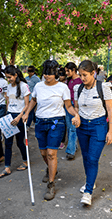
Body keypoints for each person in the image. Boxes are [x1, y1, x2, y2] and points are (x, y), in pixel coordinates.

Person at [22, 60, 80, 201]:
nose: (47, 76)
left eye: (50, 74)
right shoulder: (38, 86)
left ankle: (51, 183)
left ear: (55, 74)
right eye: (45, 73)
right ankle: (51, 169)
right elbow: (33, 100)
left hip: (57, 122)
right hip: (40, 122)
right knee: (43, 153)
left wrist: (76, 114)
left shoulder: (62, 87)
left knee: (51, 153)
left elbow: (68, 105)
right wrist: (26, 113)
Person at [74, 60, 112, 206]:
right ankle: (90, 181)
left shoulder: (103, 87)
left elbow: (110, 110)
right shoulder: (78, 89)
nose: (82, 78)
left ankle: (88, 192)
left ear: (93, 73)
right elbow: (76, 108)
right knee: (85, 157)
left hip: (98, 125)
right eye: (80, 75)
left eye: (85, 75)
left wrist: (111, 131)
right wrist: (76, 117)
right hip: (82, 127)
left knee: (92, 158)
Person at [0, 66, 30, 178]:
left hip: (19, 117)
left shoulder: (24, 86)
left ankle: (25, 161)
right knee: (8, 143)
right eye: (7, 77)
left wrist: (19, 117)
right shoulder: (8, 87)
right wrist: (7, 115)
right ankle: (7, 167)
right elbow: (8, 102)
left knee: (20, 142)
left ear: (15, 75)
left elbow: (27, 105)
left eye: (10, 77)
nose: (8, 79)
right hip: (9, 116)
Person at [65, 62, 82, 160]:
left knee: (72, 127)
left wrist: (77, 108)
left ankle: (71, 151)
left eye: (68, 71)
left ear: (73, 70)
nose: (66, 73)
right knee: (69, 127)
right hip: (67, 104)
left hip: (75, 105)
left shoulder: (80, 80)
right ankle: (74, 146)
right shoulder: (69, 80)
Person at [25, 66, 40, 130]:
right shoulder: (26, 78)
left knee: (30, 111)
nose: (29, 73)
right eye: (28, 71)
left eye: (31, 71)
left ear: (33, 72)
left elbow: (39, 88)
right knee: (31, 111)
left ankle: (27, 125)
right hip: (27, 98)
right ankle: (35, 121)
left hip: (33, 98)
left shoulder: (37, 79)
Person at [58, 67, 67, 149]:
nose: (61, 77)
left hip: (65, 106)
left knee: (63, 123)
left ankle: (62, 141)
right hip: (58, 106)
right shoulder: (56, 83)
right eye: (60, 75)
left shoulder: (67, 83)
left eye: (62, 75)